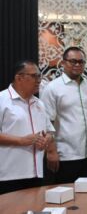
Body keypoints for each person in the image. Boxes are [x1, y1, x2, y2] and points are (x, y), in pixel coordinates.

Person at [41, 46, 87, 184]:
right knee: (66, 196)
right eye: (73, 61)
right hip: (66, 154)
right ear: (63, 63)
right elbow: (46, 122)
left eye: (81, 62)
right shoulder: (53, 88)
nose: (77, 65)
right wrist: (51, 151)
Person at [0, 60, 55, 194]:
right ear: (19, 77)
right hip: (9, 175)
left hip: (36, 173)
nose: (38, 81)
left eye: (39, 76)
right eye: (34, 76)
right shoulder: (2, 100)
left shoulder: (39, 103)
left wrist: (47, 139)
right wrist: (21, 141)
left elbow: (49, 131)